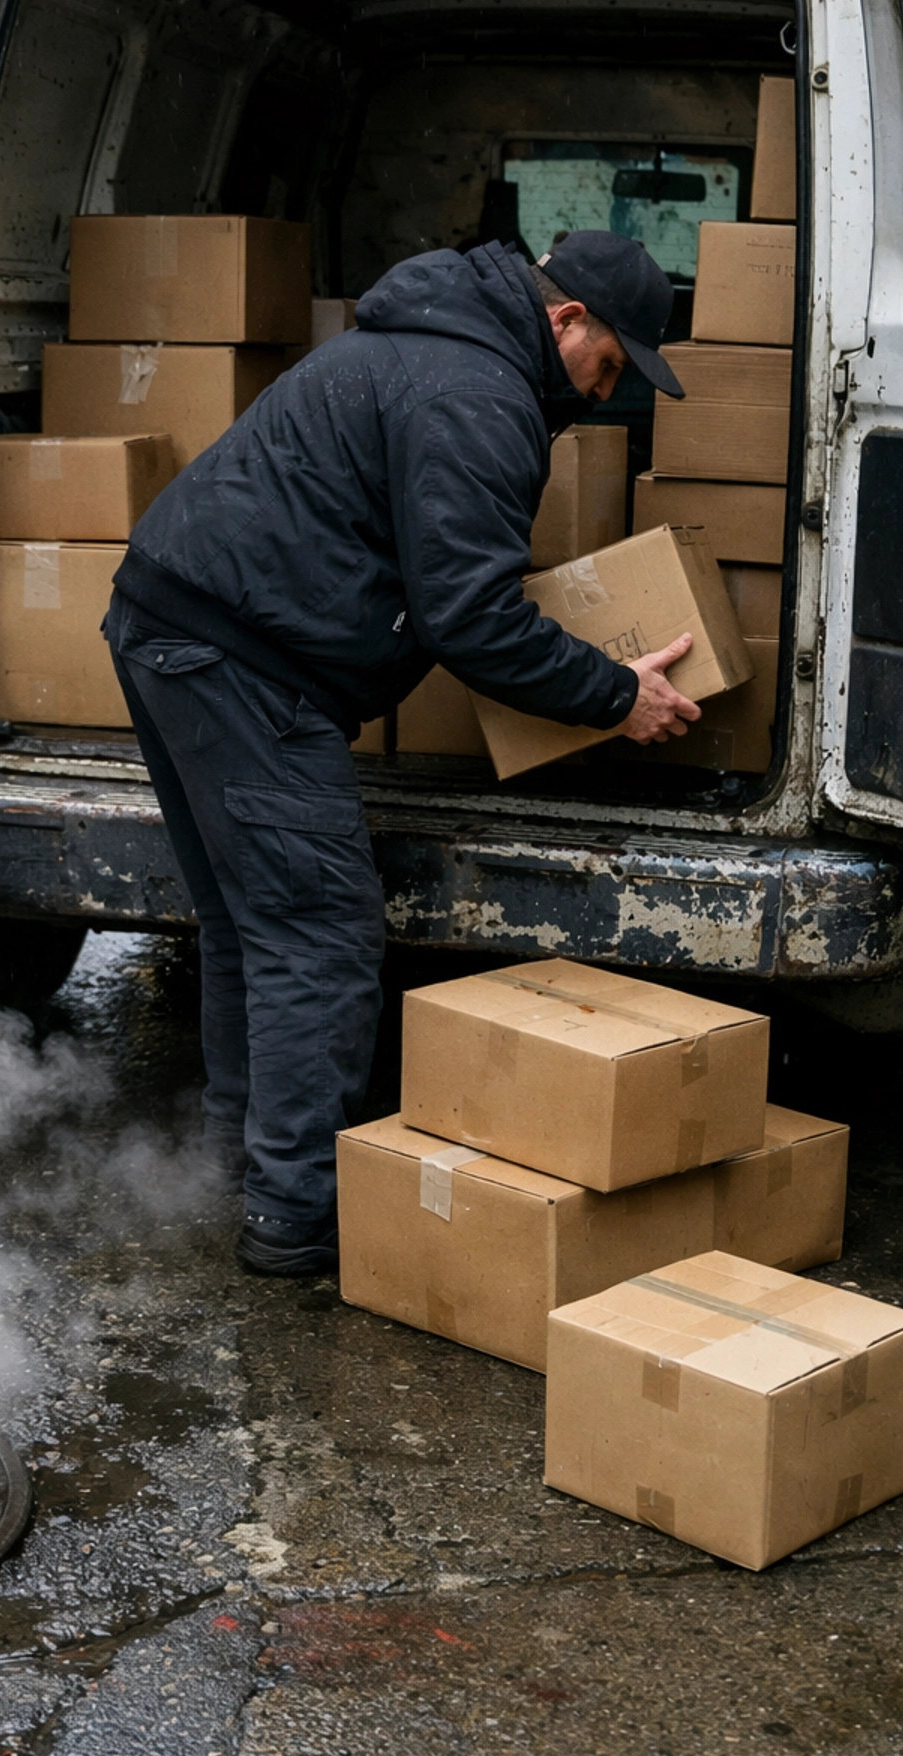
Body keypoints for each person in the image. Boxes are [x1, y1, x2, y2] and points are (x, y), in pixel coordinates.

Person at [105, 231, 698, 1278]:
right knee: (320, 941)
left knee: (255, 928)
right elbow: (468, 618)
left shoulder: (440, 345)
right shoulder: (478, 394)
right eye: (611, 364)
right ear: (565, 321)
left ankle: (240, 1169)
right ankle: (295, 1219)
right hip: (244, 661)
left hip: (174, 621)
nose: (607, 394)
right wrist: (617, 697)